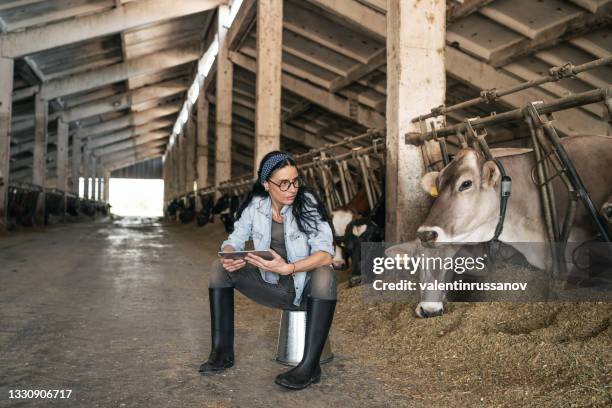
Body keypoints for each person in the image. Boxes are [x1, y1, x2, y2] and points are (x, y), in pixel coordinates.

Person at [199, 151, 337, 391]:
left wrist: (289, 267)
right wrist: (232, 256)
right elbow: (235, 239)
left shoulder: (308, 205)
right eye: (284, 183)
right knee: (218, 268)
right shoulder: (255, 206)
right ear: (266, 184)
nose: (292, 188)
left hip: (306, 292)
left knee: (325, 273)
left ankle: (310, 366)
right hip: (273, 286)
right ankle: (222, 353)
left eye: (295, 181)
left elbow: (326, 253)